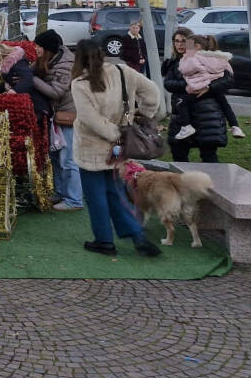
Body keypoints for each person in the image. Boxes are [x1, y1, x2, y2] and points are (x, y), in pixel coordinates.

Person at [70, 39, 161, 257]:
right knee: (114, 189)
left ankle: (104, 240)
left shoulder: (80, 83)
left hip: (92, 147)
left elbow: (89, 118)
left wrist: (114, 133)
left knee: (97, 196)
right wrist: (144, 115)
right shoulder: (122, 71)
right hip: (120, 145)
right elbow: (152, 93)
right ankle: (136, 234)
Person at [162, 30, 234, 163]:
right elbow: (168, 84)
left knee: (209, 157)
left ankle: (213, 183)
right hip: (181, 118)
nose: (180, 44)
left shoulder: (210, 60)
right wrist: (190, 85)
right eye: (176, 41)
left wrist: (208, 87)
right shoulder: (173, 63)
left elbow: (228, 80)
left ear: (193, 43)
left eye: (184, 41)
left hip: (207, 116)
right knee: (178, 156)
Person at [31, 30, 83, 212]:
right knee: (55, 156)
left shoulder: (66, 64)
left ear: (47, 49)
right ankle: (61, 193)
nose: (35, 48)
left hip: (68, 116)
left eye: (38, 46)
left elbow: (56, 92)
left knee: (68, 159)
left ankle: (74, 199)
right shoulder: (49, 60)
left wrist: (32, 80)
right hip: (56, 116)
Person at [173, 34, 244, 141]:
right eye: (177, 41)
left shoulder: (192, 58)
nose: (183, 46)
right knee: (225, 105)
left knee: (182, 103)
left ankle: (186, 127)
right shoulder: (217, 58)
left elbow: (187, 69)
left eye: (187, 44)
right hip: (213, 88)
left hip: (199, 88)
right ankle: (235, 127)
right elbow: (228, 74)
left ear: (196, 46)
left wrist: (185, 61)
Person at [0, 43, 49, 119]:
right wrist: (4, 86)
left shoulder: (16, 63)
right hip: (30, 104)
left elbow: (27, 79)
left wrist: (14, 90)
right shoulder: (9, 64)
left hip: (35, 105)